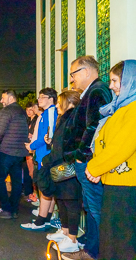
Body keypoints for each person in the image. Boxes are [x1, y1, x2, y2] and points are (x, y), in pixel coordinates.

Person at [61, 56, 112, 260]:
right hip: (85, 161)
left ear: (86, 71)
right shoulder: (91, 91)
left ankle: (98, 252)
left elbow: (96, 126)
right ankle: (91, 248)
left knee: (95, 208)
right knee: (91, 208)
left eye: (73, 74)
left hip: (88, 161)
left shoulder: (97, 90)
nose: (72, 79)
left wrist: (81, 155)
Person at [84, 60, 136, 260]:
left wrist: (96, 168)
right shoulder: (122, 108)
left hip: (127, 186)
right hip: (115, 182)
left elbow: (121, 147)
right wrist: (100, 170)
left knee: (121, 240)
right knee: (112, 238)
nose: (111, 86)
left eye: (115, 81)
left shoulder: (133, 109)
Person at [37, 91, 82, 253]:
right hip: (60, 166)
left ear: (69, 102)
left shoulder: (73, 118)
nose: (57, 105)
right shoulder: (64, 118)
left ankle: (72, 238)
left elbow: (66, 146)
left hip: (67, 167)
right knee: (62, 200)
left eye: (59, 102)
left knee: (70, 202)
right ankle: (65, 231)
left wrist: (48, 160)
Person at [22, 88, 58, 231]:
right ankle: (46, 218)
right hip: (44, 154)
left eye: (42, 97)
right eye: (39, 97)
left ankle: (40, 221)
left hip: (45, 156)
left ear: (51, 99)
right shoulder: (46, 113)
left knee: (45, 188)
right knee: (48, 188)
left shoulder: (49, 112)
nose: (39, 99)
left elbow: (47, 135)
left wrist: (31, 145)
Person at [0, 90, 29, 219]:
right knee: (17, 181)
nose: (1, 101)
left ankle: (5, 208)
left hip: (5, 151)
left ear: (10, 97)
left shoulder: (6, 111)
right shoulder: (22, 112)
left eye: (3, 98)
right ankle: (14, 208)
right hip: (19, 154)